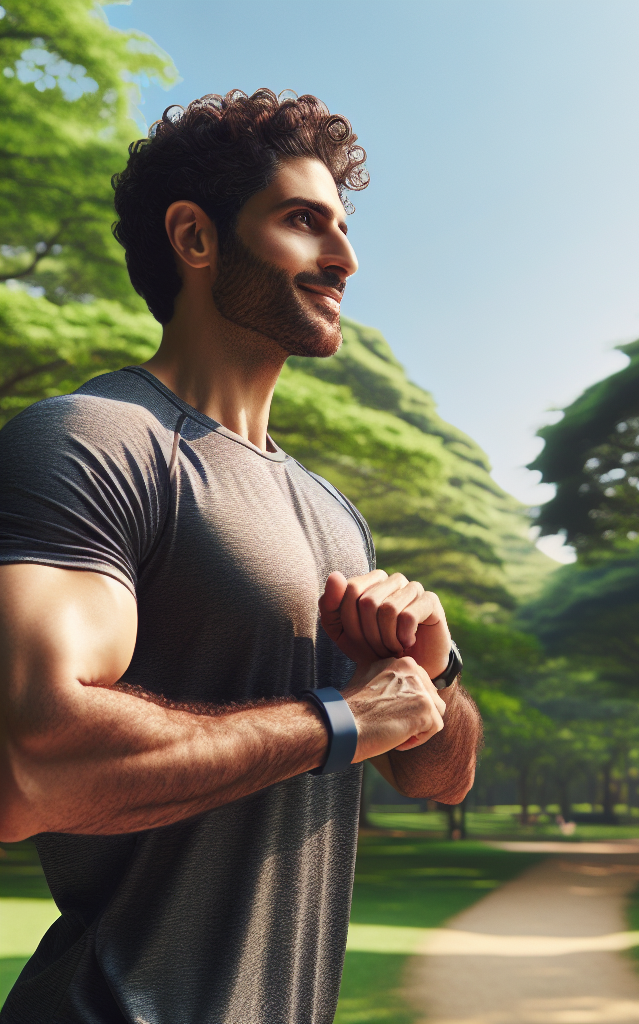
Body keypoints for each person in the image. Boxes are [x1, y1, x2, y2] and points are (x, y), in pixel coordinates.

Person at [0, 88, 481, 1024]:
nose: (345, 257)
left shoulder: (335, 515)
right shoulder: (94, 442)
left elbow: (437, 776)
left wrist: (436, 674)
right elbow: (27, 764)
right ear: (194, 239)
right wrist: (342, 720)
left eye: (341, 226)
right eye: (305, 222)